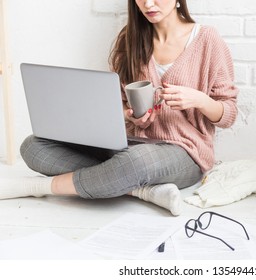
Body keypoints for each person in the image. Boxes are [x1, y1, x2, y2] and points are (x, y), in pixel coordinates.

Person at [0, 0, 238, 215]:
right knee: (33, 146)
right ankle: (141, 190)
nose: (148, 3)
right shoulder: (130, 38)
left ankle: (37, 187)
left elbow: (229, 114)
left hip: (185, 152)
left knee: (135, 161)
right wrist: (130, 117)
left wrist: (199, 100)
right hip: (131, 144)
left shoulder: (207, 39)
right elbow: (121, 103)